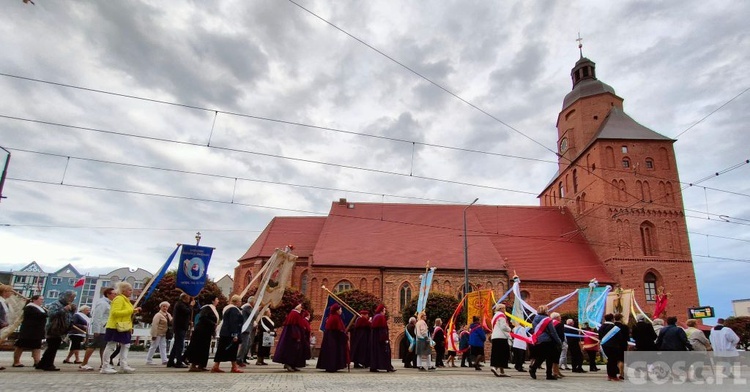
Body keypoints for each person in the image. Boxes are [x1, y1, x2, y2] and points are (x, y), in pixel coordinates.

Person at [100, 282, 140, 374]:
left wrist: (133, 312)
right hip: (115, 326)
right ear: (123, 290)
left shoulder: (126, 300)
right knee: (111, 345)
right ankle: (105, 366)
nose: (131, 292)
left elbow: (126, 313)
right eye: (129, 290)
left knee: (126, 345)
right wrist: (131, 310)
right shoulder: (118, 299)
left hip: (124, 326)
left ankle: (123, 365)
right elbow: (115, 313)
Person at [36, 290, 77, 371]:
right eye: (70, 297)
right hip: (53, 329)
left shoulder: (67, 305)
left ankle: (42, 363)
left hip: (61, 330)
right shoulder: (56, 304)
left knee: (52, 347)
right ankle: (48, 365)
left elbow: (69, 317)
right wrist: (64, 309)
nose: (72, 299)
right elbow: (51, 314)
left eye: (73, 297)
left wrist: (72, 310)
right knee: (52, 347)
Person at [78, 287, 116, 371]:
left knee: (104, 346)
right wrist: (96, 330)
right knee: (94, 345)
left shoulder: (109, 303)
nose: (115, 295)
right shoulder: (102, 303)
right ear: (108, 294)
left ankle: (104, 364)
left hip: (105, 328)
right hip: (101, 328)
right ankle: (84, 363)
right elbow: (97, 317)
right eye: (114, 294)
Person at [185, 295, 219, 372]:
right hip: (201, 331)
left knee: (205, 348)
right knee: (198, 348)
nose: (218, 301)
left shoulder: (212, 308)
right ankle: (193, 365)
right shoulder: (207, 308)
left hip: (207, 331)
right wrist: (213, 323)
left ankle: (202, 365)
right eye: (217, 299)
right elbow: (203, 317)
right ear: (212, 300)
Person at [528, 305, 562, 381]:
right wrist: (558, 341)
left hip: (539, 339)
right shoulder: (547, 320)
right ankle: (548, 374)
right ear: (545, 311)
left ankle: (533, 368)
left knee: (541, 356)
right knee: (549, 358)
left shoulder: (534, 319)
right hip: (548, 340)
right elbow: (553, 332)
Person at [212, 294, 244, 373]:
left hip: (225, 332)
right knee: (232, 350)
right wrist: (235, 334)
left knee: (221, 349)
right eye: (240, 301)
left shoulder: (227, 309)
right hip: (230, 333)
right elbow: (234, 322)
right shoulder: (234, 310)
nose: (241, 303)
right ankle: (233, 367)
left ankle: (216, 366)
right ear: (236, 302)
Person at [12, 294, 46, 367]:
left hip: (37, 331)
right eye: (41, 299)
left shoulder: (40, 308)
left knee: (37, 346)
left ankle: (37, 361)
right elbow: (38, 315)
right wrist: (45, 313)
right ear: (34, 300)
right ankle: (16, 362)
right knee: (20, 346)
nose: (42, 301)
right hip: (28, 330)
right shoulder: (29, 307)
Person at [273, 303, 308, 372]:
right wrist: (297, 336)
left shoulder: (297, 314)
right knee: (291, 351)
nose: (301, 307)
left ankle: (293, 365)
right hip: (292, 338)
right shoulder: (294, 314)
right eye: (300, 306)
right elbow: (294, 326)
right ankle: (288, 364)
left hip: (295, 337)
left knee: (296, 351)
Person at [316, 303, 349, 372]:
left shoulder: (333, 316)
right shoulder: (335, 317)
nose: (341, 311)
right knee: (332, 352)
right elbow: (338, 329)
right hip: (333, 338)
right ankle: (331, 366)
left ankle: (331, 366)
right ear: (337, 310)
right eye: (340, 309)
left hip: (332, 337)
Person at [168, 293, 194, 368]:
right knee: (179, 345)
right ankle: (178, 362)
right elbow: (187, 311)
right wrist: (191, 305)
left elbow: (183, 316)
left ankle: (171, 361)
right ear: (185, 298)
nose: (189, 299)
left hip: (180, 326)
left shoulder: (181, 304)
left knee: (176, 344)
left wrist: (189, 322)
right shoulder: (180, 304)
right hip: (180, 327)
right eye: (188, 298)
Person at [369, 304, 395, 372]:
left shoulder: (375, 316)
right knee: (385, 352)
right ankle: (387, 367)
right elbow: (383, 329)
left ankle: (374, 367)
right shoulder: (380, 317)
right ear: (381, 311)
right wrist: (385, 339)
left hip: (375, 339)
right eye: (384, 310)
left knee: (376, 353)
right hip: (381, 339)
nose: (385, 312)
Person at [145, 301, 172, 365]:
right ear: (161, 307)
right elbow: (154, 325)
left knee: (163, 346)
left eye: (166, 307)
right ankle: (149, 360)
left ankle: (164, 360)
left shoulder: (168, 315)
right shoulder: (158, 315)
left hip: (164, 333)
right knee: (154, 346)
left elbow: (171, 321)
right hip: (157, 333)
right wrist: (154, 334)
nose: (165, 308)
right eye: (164, 306)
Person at [598, 313, 623, 381]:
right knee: (613, 361)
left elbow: (600, 337)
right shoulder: (614, 328)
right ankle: (614, 376)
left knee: (609, 361)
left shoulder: (601, 327)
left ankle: (609, 375)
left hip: (604, 346)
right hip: (613, 346)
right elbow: (620, 338)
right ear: (612, 319)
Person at [489, 304, 511, 377]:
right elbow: (503, 327)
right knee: (503, 353)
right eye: (504, 308)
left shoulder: (495, 316)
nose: (505, 310)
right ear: (501, 309)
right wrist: (509, 329)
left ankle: (501, 371)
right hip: (501, 337)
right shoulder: (501, 316)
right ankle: (495, 367)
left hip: (495, 336)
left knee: (496, 352)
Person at [236, 296, 255, 366]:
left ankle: (242, 358)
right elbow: (254, 315)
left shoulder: (248, 307)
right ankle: (239, 359)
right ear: (252, 302)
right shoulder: (247, 307)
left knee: (248, 343)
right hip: (245, 328)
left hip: (247, 328)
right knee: (244, 344)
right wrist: (258, 309)